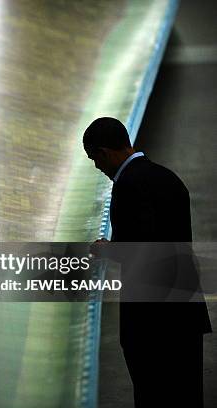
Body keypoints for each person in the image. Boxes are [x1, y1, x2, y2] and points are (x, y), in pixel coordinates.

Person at [83, 117, 212, 407]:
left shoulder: (128, 185)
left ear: (104, 153)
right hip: (184, 311)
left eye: (94, 159)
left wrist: (107, 251)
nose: (97, 167)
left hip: (152, 321)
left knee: (153, 394)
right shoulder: (168, 177)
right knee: (187, 394)